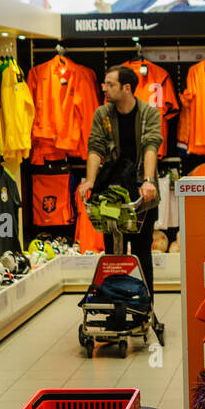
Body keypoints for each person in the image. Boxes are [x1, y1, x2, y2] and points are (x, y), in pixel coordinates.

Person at [78, 66, 162, 308]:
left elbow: (150, 146)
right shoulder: (102, 113)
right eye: (105, 83)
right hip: (112, 196)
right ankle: (115, 303)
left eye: (110, 84)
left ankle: (145, 306)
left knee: (141, 254)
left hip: (142, 197)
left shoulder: (148, 113)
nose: (104, 88)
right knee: (113, 253)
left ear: (127, 88)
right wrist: (90, 181)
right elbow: (95, 148)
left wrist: (148, 180)